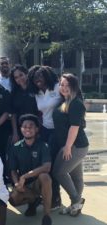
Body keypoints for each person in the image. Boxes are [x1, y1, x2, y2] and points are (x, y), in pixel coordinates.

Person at [52, 74, 89, 216]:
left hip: (76, 146)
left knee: (58, 172)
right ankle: (75, 206)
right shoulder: (66, 101)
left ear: (74, 86)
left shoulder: (76, 103)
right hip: (75, 145)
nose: (64, 87)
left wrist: (67, 147)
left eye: (67, 85)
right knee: (76, 176)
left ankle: (76, 200)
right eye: (62, 84)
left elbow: (74, 127)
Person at [28, 65, 62, 208]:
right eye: (35, 78)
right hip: (44, 131)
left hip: (58, 130)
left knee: (52, 165)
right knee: (43, 163)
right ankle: (45, 195)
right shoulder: (36, 93)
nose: (38, 80)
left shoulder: (57, 87)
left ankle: (56, 199)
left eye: (41, 76)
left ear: (47, 76)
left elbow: (72, 97)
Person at [9, 114, 52, 225]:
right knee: (13, 199)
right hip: (24, 185)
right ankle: (33, 202)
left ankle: (47, 216)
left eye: (31, 126)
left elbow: (47, 167)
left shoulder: (43, 145)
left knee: (45, 176)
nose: (27, 129)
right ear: (21, 129)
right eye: (25, 126)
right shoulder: (15, 147)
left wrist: (24, 176)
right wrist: (17, 183)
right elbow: (13, 170)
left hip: (38, 183)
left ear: (37, 129)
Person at [10, 64, 39, 142]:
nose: (19, 78)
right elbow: (13, 114)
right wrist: (15, 133)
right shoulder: (14, 93)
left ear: (26, 73)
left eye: (21, 75)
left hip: (36, 128)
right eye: (16, 77)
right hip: (21, 129)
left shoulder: (36, 89)